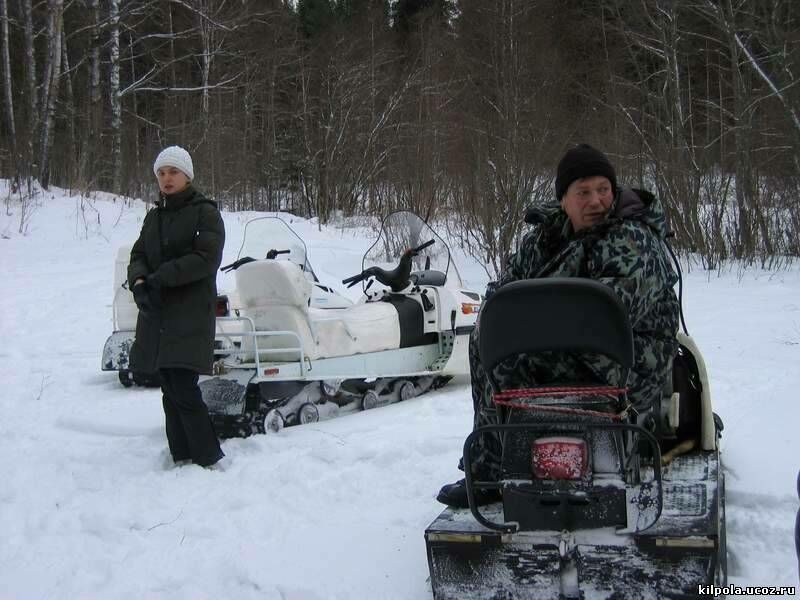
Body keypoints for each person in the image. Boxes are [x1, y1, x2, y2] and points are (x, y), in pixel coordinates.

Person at [437, 143, 680, 507]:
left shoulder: (632, 239)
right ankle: (490, 465)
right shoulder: (545, 239)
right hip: (563, 344)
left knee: (520, 355)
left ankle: (586, 455)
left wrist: (527, 325)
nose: (596, 201)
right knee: (486, 338)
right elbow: (504, 290)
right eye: (583, 192)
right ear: (563, 199)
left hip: (625, 354)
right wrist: (502, 319)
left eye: (603, 190)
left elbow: (608, 316)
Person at [128, 145, 226, 469]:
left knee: (183, 386)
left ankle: (207, 457)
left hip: (189, 312)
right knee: (168, 387)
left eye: (173, 172)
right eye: (161, 173)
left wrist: (162, 277)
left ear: (187, 176)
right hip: (158, 312)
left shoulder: (205, 212)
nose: (167, 178)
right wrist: (140, 283)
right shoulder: (154, 216)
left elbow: (206, 258)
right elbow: (138, 254)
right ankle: (182, 456)